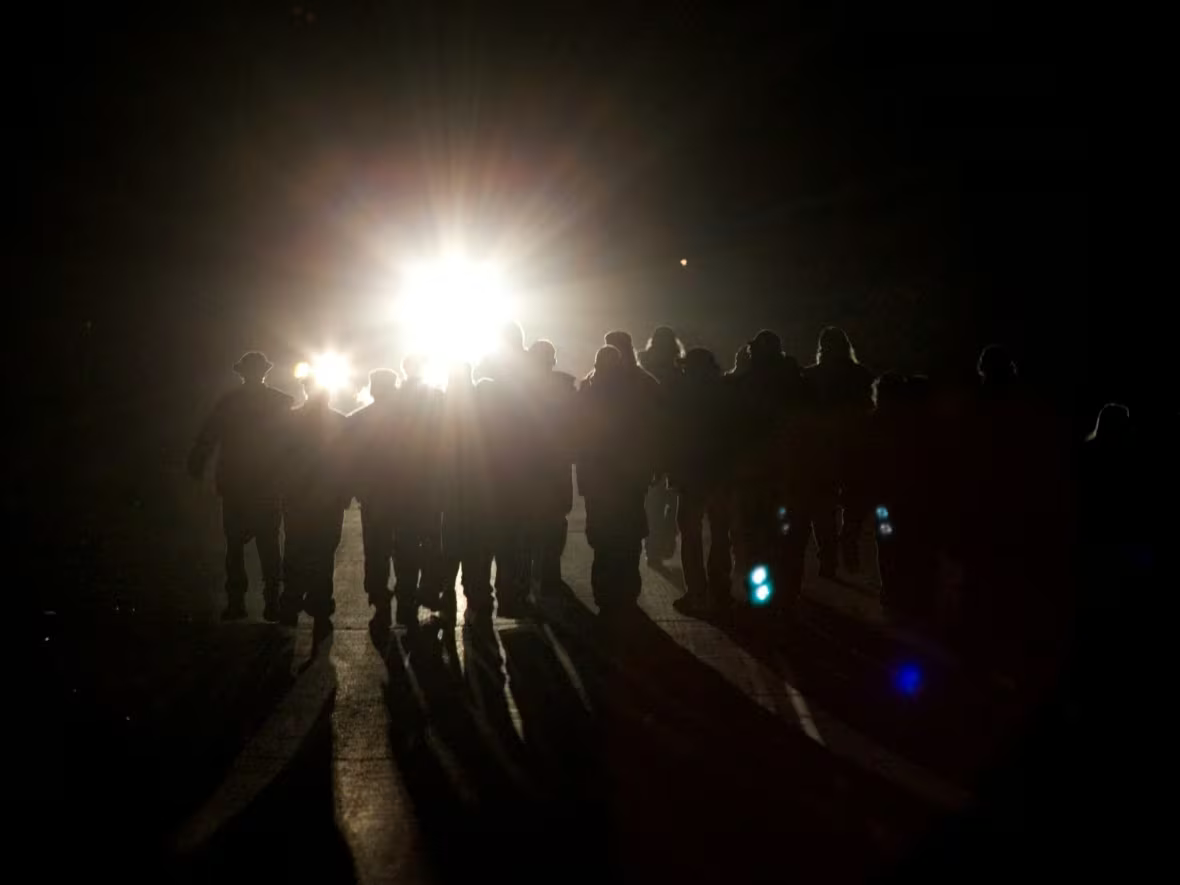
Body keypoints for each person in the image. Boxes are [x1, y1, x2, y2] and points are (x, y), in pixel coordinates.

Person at [188, 351, 293, 621]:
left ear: (243, 373)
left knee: (235, 546)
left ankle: (237, 602)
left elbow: (208, 436)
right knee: (268, 546)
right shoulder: (280, 402)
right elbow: (292, 445)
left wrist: (197, 464)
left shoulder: (229, 403)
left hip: (236, 485)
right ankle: (272, 602)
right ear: (265, 372)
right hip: (267, 486)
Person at [729, 330, 810, 613]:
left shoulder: (746, 383)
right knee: (788, 538)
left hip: (753, 473)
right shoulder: (797, 381)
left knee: (754, 537)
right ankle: (788, 593)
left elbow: (731, 427)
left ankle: (759, 593)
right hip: (791, 472)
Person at [576, 345, 654, 615]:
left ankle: (605, 594)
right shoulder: (633, 393)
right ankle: (627, 593)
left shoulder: (587, 393)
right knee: (628, 538)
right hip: (627, 480)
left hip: (599, 481)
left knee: (602, 541)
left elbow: (580, 441)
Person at [277, 369, 350, 642]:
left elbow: (279, 458)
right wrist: (345, 492)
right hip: (327, 499)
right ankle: (319, 603)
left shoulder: (291, 420)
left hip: (298, 497)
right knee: (324, 550)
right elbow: (349, 461)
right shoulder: (340, 422)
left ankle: (292, 601)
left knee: (296, 547)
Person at [802, 326, 875, 577]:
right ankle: (848, 540)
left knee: (822, 508)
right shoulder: (862, 375)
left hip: (821, 452)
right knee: (855, 504)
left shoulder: (810, 376)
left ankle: (828, 555)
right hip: (854, 449)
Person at [668, 348, 734, 616]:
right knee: (720, 533)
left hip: (691, 474)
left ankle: (696, 591)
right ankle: (720, 588)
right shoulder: (725, 390)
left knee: (691, 535)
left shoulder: (681, 393)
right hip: (720, 472)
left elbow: (672, 434)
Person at [869, 372, 938, 629]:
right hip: (917, 496)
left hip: (885, 499)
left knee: (888, 545)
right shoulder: (920, 423)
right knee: (917, 544)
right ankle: (920, 595)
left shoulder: (875, 422)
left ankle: (892, 592)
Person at [477, 321, 535, 618]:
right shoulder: (528, 370)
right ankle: (511, 594)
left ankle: (482, 596)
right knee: (515, 539)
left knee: (487, 536)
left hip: (490, 466)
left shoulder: (486, 369)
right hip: (519, 467)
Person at [439, 361, 495, 626]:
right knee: (477, 550)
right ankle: (476, 601)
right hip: (479, 491)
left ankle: (447, 597)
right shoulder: (485, 405)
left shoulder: (440, 407)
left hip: (450, 491)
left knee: (449, 548)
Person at [392, 354, 443, 627]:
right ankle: (430, 590)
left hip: (402, 484)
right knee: (432, 540)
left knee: (404, 544)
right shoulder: (437, 398)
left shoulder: (395, 400)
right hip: (431, 482)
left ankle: (406, 595)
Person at [348, 368, 400, 632]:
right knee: (405, 548)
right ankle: (406, 597)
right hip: (405, 493)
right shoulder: (411, 418)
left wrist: (356, 489)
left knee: (376, 548)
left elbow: (350, 459)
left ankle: (379, 599)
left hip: (374, 495)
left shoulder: (358, 420)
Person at [526, 339, 577, 592]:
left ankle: (531, 572)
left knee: (529, 519)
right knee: (556, 519)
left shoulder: (518, 388)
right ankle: (549, 571)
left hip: (528, 464)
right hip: (557, 462)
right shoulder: (565, 386)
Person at [637, 326, 684, 568]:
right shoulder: (679, 373)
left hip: (650, 444)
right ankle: (666, 538)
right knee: (673, 499)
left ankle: (653, 547)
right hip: (674, 444)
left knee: (653, 501)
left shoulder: (643, 370)